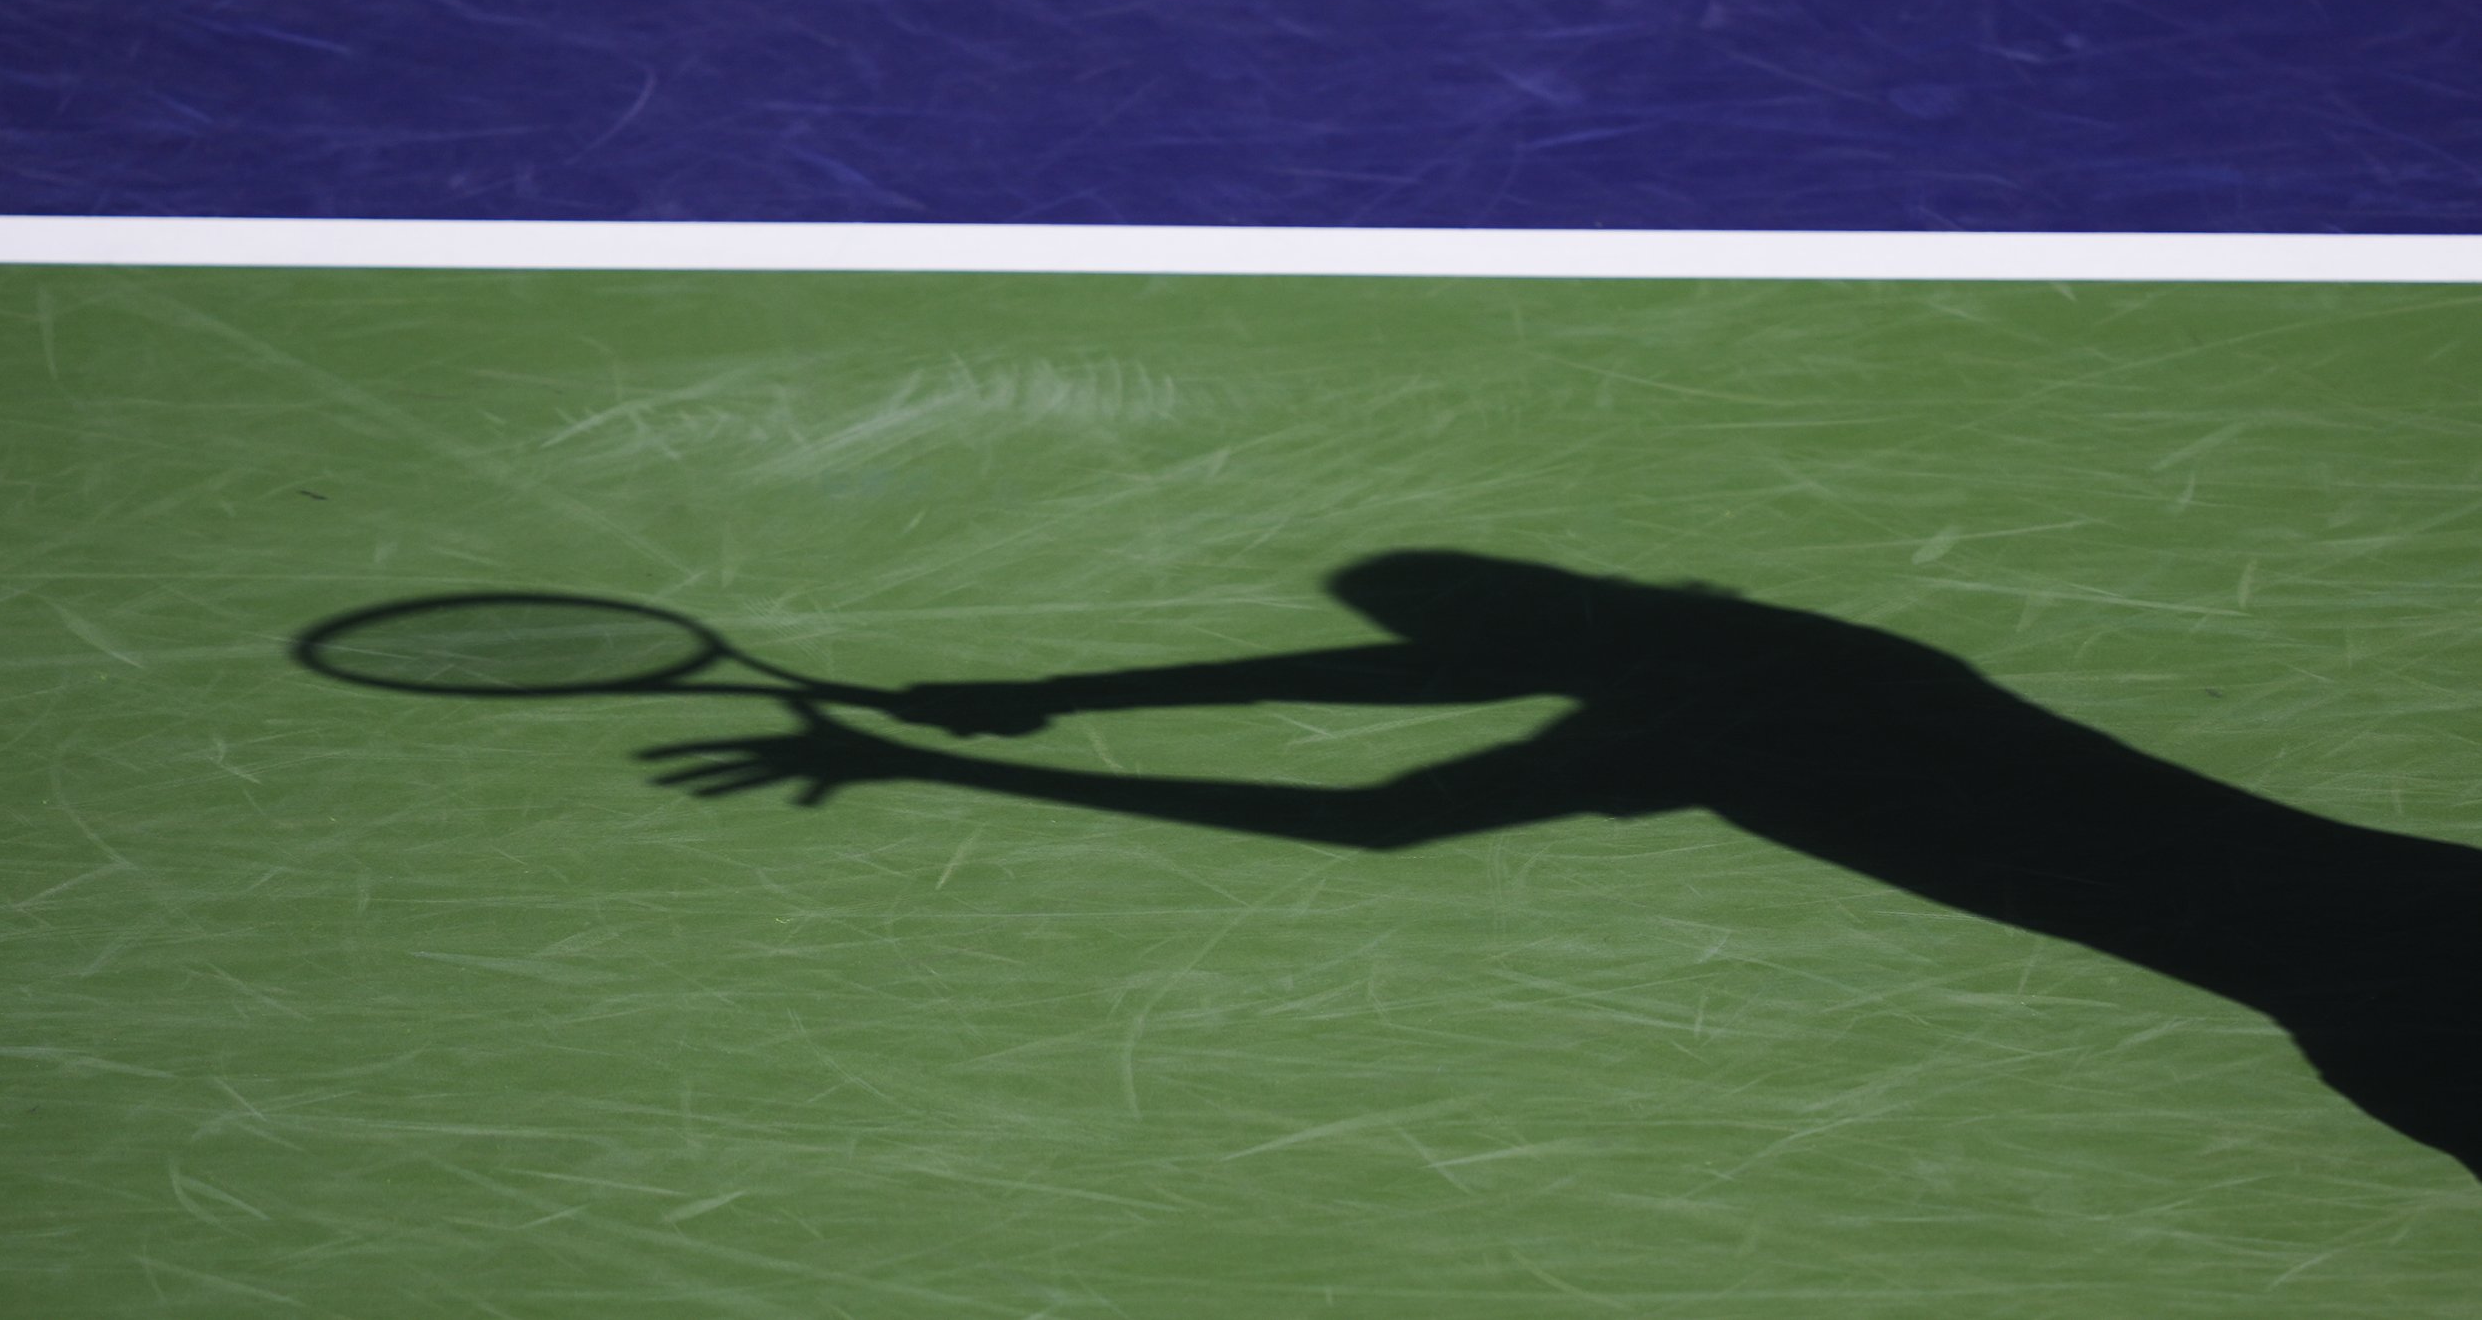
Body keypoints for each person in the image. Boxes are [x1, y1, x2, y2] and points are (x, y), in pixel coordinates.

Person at [647, 550, 2482, 1178]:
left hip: (2394, 1002)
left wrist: (915, 760)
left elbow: (1369, 807)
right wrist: (1053, 691)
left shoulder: (1687, 737)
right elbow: (1407, 673)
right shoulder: (1808, 661)